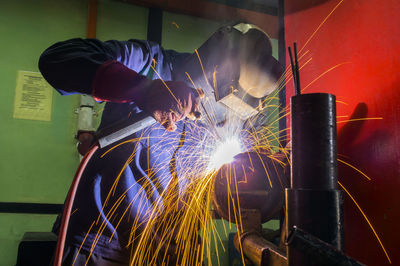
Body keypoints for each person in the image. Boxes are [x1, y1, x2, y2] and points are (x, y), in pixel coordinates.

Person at [39, 23, 284, 265]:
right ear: (219, 58)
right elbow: (58, 59)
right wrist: (144, 90)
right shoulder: (151, 64)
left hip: (170, 253)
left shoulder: (237, 114)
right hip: (99, 247)